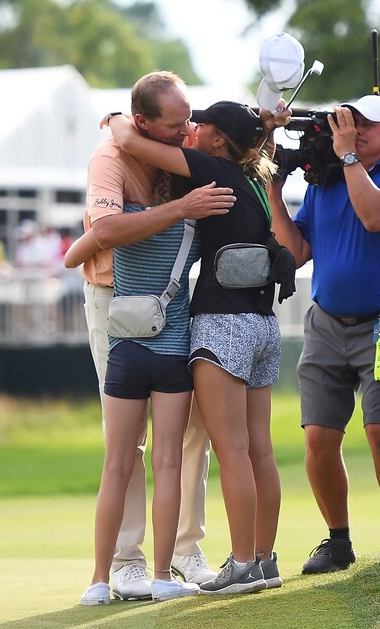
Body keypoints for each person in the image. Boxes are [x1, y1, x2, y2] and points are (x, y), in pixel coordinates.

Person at [106, 99, 293, 594]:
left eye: (200, 123)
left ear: (216, 139)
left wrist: (114, 118)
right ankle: (265, 560)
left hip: (221, 323)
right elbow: (258, 145)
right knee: (260, 450)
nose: (191, 128)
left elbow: (128, 142)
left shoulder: (210, 167)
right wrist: (267, 127)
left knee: (230, 449)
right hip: (262, 324)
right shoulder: (254, 177)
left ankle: (241, 563)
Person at [75, 71, 234, 600]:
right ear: (143, 123)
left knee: (193, 432)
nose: (187, 131)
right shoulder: (110, 159)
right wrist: (179, 210)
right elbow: (106, 232)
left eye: (189, 118)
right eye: (175, 124)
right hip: (113, 301)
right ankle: (126, 562)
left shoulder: (172, 138)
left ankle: (184, 550)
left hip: (172, 304)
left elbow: (225, 140)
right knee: (129, 440)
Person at [270, 94, 380, 572]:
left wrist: (348, 159)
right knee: (318, 436)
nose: (355, 130)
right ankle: (338, 542)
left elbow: (376, 217)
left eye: (367, 125)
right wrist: (275, 192)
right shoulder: (325, 183)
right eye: (350, 122)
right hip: (326, 323)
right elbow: (296, 252)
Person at [70, 167, 203, 605]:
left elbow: (73, 257)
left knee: (117, 466)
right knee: (168, 464)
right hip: (171, 356)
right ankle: (164, 576)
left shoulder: (121, 225)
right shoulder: (192, 228)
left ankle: (98, 581)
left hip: (126, 354)